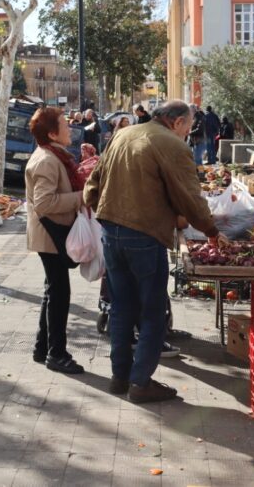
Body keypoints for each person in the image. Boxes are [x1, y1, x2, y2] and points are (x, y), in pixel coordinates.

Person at [85, 100, 225, 404]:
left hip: (111, 231)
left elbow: (92, 184)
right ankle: (140, 382)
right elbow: (190, 197)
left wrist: (105, 214)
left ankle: (119, 376)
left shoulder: (124, 134)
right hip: (144, 236)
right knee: (152, 312)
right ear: (176, 122)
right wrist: (211, 231)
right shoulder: (171, 145)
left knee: (121, 306)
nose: (188, 133)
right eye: (188, 127)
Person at [25, 107, 86, 375]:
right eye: (64, 124)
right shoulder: (47, 161)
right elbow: (45, 203)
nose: (69, 127)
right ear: (52, 133)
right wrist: (82, 197)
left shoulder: (55, 156)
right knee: (59, 294)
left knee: (53, 291)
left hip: (52, 233)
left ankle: (43, 347)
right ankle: (56, 354)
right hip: (50, 234)